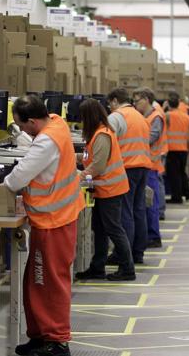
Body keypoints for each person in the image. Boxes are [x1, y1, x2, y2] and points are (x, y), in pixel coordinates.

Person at [3, 94, 85, 356]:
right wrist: (17, 135)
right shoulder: (56, 124)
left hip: (54, 221)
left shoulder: (46, 141)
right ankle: (40, 337)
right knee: (37, 282)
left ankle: (57, 341)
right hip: (57, 218)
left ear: (33, 121)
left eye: (22, 125)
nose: (24, 129)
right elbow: (39, 147)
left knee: (49, 282)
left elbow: (17, 178)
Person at [74, 99, 135, 282]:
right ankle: (97, 268)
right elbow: (89, 157)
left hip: (111, 189)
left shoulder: (102, 135)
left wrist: (79, 177)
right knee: (99, 229)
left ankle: (127, 269)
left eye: (83, 117)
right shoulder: (96, 134)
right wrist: (71, 155)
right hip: (103, 189)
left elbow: (98, 166)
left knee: (114, 229)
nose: (81, 121)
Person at [106, 88, 151, 265]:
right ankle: (138, 252)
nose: (110, 108)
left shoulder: (117, 117)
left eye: (110, 104)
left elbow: (106, 142)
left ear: (115, 101)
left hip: (126, 167)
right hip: (142, 166)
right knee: (138, 210)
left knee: (125, 212)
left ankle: (124, 254)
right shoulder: (140, 116)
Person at [133, 87, 165, 248]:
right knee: (145, 203)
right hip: (145, 164)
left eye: (137, 100)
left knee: (150, 202)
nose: (135, 104)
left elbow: (153, 136)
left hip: (151, 165)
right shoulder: (144, 116)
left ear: (146, 99)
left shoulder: (156, 116)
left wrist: (134, 138)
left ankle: (153, 236)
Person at [165, 94, 189, 203]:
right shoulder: (186, 117)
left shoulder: (168, 115)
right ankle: (187, 193)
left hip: (172, 149)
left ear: (169, 104)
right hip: (183, 149)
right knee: (182, 172)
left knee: (174, 174)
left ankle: (177, 197)